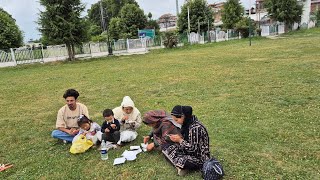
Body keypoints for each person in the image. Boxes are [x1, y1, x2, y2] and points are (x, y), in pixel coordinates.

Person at [162, 105, 210, 176]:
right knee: (165, 147)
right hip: (188, 152)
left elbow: (194, 150)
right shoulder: (187, 124)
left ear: (183, 116)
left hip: (199, 157)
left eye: (176, 120)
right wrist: (176, 139)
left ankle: (182, 167)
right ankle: (181, 167)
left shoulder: (196, 128)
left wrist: (180, 140)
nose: (176, 122)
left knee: (183, 160)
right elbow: (186, 142)